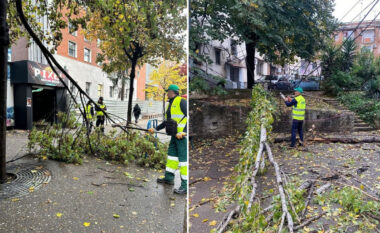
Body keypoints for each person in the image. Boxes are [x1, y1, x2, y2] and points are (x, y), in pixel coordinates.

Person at [148, 84, 187, 195]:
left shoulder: (181, 101)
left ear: (173, 92)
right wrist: (155, 128)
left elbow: (188, 116)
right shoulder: (170, 104)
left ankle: (185, 186)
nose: (167, 93)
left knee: (183, 162)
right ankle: (169, 178)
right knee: (171, 157)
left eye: (168, 91)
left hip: (182, 137)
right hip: (174, 137)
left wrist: (184, 131)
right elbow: (167, 122)